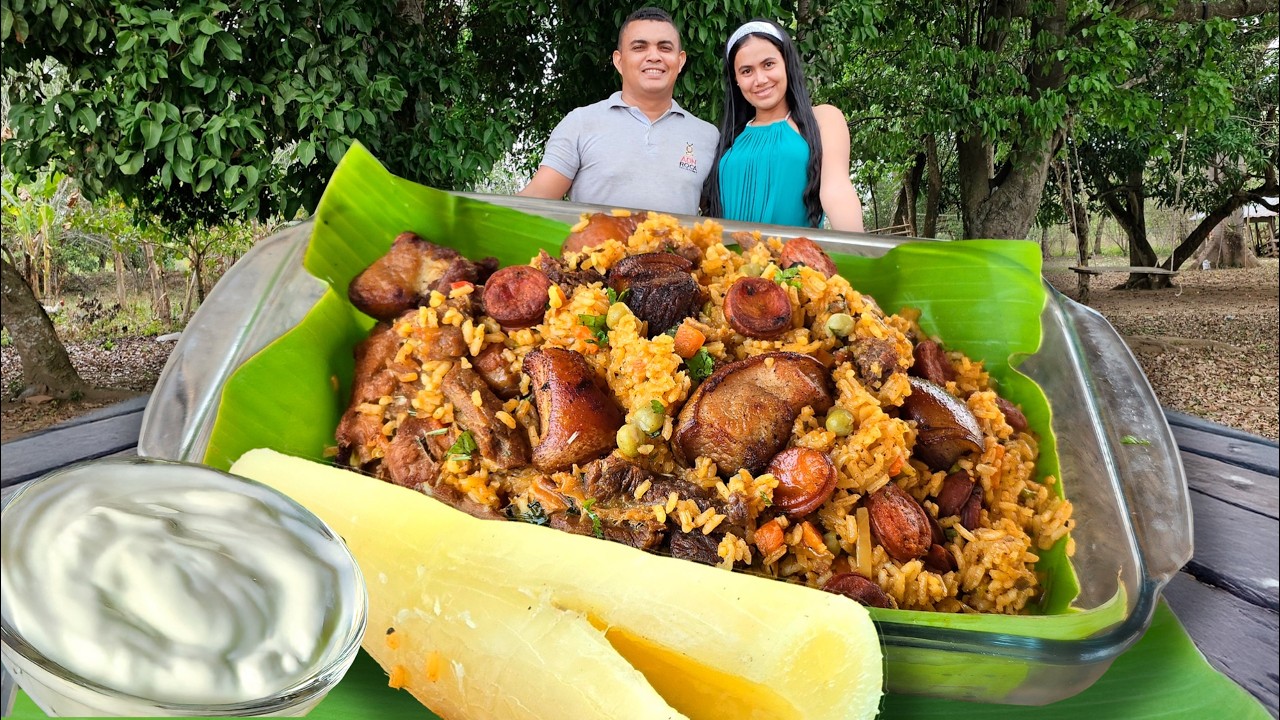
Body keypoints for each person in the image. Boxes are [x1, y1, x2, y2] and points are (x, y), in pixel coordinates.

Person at [517, 8, 719, 216]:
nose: (654, 56)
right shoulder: (581, 123)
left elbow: (716, 218)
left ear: (681, 61)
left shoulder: (708, 136)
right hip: (595, 249)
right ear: (618, 61)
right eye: (639, 47)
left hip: (672, 250)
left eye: (664, 48)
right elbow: (535, 201)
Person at [703, 19, 865, 232]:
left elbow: (837, 191)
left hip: (794, 262)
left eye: (768, 64)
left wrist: (860, 254)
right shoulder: (729, 137)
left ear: (787, 63)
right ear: (736, 80)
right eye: (746, 71)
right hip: (728, 262)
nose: (760, 79)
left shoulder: (822, 118)